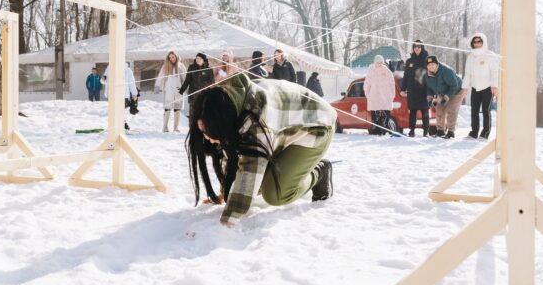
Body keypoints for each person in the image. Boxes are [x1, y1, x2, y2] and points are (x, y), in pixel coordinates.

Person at [186, 73, 336, 227]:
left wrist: (230, 217)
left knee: (275, 194)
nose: (209, 139)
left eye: (208, 133)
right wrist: (226, 194)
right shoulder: (226, 103)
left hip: (316, 127)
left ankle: (319, 173)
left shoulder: (258, 118)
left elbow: (250, 167)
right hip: (284, 130)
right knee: (254, 185)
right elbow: (231, 154)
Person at [462, 33, 499, 139]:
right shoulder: (470, 57)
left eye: (479, 41)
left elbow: (495, 72)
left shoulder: (490, 55)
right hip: (475, 87)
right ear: (472, 44)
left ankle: (485, 133)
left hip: (488, 87)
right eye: (475, 42)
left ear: (483, 42)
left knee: (486, 111)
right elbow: (467, 74)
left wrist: (494, 86)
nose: (477, 44)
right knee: (474, 110)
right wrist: (465, 87)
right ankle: (474, 132)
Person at [426, 56, 466, 139]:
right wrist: (430, 98)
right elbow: (429, 87)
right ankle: (440, 130)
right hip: (442, 91)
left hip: (457, 90)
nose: (431, 66)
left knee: (451, 110)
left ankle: (451, 132)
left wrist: (446, 98)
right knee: (440, 109)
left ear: (437, 64)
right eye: (429, 65)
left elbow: (454, 86)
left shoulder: (446, 71)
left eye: (433, 64)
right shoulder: (427, 74)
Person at [400, 40, 430, 137]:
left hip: (424, 90)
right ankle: (411, 130)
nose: (417, 48)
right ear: (413, 48)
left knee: (425, 111)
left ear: (422, 48)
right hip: (412, 90)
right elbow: (406, 76)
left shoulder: (427, 60)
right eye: (415, 47)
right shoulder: (409, 61)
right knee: (412, 112)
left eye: (419, 47)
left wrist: (433, 89)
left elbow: (432, 75)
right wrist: (402, 89)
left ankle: (426, 131)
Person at [155, 51, 186, 132]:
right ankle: (165, 127)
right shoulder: (165, 66)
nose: (172, 59)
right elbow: (161, 76)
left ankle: (176, 128)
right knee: (167, 108)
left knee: (177, 109)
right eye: (170, 57)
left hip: (178, 90)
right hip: (168, 90)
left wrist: (183, 88)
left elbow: (185, 78)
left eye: (173, 57)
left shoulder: (181, 66)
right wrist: (157, 86)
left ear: (176, 56)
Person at [364, 55, 396, 135]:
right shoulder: (371, 71)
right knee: (375, 118)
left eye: (380, 62)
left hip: (385, 97)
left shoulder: (387, 72)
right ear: (374, 62)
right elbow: (367, 84)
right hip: (374, 97)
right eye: (377, 62)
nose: (379, 64)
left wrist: (392, 95)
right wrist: (368, 94)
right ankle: (377, 131)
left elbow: (392, 84)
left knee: (386, 117)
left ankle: (385, 131)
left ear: (383, 62)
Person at [102, 63, 139, 130]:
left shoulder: (127, 70)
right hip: (112, 94)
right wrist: (103, 79)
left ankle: (123, 125)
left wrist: (134, 93)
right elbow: (104, 81)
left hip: (123, 94)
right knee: (114, 111)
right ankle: (116, 126)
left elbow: (132, 83)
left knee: (121, 110)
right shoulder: (109, 69)